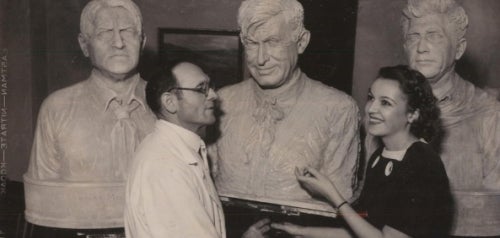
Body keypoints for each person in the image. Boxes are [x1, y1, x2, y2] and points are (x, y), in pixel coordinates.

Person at [208, 0, 360, 236]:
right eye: (251, 44)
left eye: (272, 42)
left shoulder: (338, 109)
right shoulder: (220, 103)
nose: (260, 59)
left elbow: (339, 206)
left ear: (301, 42)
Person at [23, 0, 155, 236]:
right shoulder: (57, 109)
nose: (118, 42)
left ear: (142, 42)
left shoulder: (167, 106)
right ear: (84, 45)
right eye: (105, 32)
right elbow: (43, 207)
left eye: (127, 32)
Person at [273, 65, 453, 238]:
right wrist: (300, 232)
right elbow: (362, 231)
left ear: (412, 114)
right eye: (371, 98)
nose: (371, 109)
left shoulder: (422, 163)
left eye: (385, 103)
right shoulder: (379, 156)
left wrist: (332, 195)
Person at [397, 0, 500, 235]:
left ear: (459, 48)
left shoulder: (489, 115)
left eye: (434, 36)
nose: (421, 47)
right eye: (414, 37)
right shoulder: (384, 111)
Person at [124, 61, 226, 237]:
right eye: (201, 88)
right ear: (170, 102)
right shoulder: (165, 166)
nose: (213, 95)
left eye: (211, 86)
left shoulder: (174, 150)